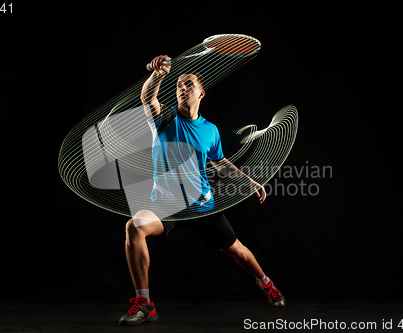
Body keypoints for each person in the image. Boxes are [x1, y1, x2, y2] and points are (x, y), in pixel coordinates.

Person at [118, 55, 286, 326]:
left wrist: (251, 182)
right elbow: (147, 98)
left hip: (201, 205)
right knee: (134, 227)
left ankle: (266, 284)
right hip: (167, 205)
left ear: (201, 93)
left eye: (188, 85)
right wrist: (159, 75)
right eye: (179, 86)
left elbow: (220, 163)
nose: (182, 88)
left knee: (238, 252)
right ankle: (146, 304)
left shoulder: (210, 130)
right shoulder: (165, 118)